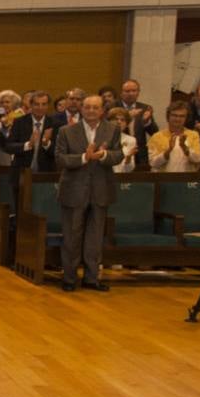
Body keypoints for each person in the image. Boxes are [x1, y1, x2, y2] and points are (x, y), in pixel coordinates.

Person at [55, 94, 123, 291]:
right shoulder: (66, 131)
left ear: (102, 110)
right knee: (72, 236)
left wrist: (103, 155)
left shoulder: (112, 130)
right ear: (81, 109)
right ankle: (69, 278)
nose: (91, 111)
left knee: (95, 237)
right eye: (87, 107)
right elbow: (60, 159)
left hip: (101, 189)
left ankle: (92, 278)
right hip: (74, 189)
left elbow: (118, 155)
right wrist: (85, 157)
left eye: (95, 107)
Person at [4, 90, 56, 174]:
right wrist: (28, 145)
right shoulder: (19, 122)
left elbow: (59, 153)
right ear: (31, 105)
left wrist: (47, 144)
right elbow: (9, 146)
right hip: (21, 173)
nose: (40, 108)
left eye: (44, 104)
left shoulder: (55, 123)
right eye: (36, 104)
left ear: (48, 106)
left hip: (46, 174)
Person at [148, 102, 200, 172]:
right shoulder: (156, 137)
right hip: (163, 179)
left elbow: (198, 159)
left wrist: (184, 147)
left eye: (182, 116)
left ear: (186, 118)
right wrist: (169, 150)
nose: (178, 119)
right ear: (168, 116)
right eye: (174, 115)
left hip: (186, 179)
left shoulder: (193, 135)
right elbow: (153, 163)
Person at [117, 79, 157, 168]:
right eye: (127, 91)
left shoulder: (145, 108)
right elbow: (109, 130)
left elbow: (154, 133)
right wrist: (128, 117)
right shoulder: (114, 107)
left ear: (138, 92)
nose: (131, 93)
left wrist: (147, 122)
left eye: (134, 91)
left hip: (140, 155)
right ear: (121, 93)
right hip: (119, 152)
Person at [106, 108, 139, 173]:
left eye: (122, 120)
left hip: (122, 178)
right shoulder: (100, 137)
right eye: (116, 119)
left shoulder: (131, 140)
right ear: (108, 122)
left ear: (127, 124)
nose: (119, 122)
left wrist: (128, 159)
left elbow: (129, 169)